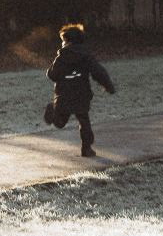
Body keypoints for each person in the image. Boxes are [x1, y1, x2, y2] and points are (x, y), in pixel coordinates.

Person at [44, 23, 116, 157]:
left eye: (63, 41)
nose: (62, 44)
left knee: (60, 122)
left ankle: (53, 114)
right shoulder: (86, 56)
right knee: (84, 120)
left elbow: (53, 75)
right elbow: (98, 72)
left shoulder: (62, 56)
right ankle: (86, 148)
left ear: (67, 41)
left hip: (63, 94)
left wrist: (50, 72)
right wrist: (108, 86)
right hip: (81, 94)